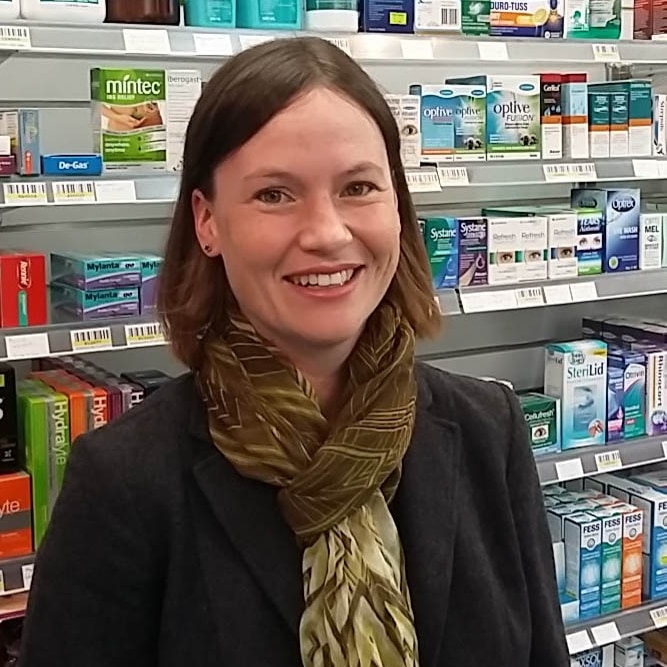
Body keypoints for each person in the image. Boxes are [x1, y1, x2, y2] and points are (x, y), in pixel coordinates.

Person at [18, 37, 568, 667]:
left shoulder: (486, 430)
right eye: (274, 194)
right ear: (208, 221)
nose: (328, 233)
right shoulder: (125, 482)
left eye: (359, 186)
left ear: (398, 204)